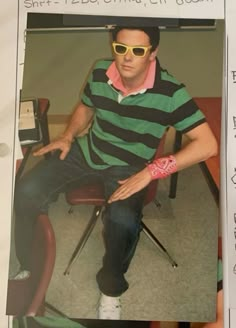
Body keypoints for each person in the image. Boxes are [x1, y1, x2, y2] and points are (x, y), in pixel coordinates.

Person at [13, 26, 218, 320]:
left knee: (122, 222)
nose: (127, 58)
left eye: (138, 50)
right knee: (26, 192)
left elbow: (207, 145)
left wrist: (150, 173)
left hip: (130, 166)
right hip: (89, 150)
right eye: (121, 48)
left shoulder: (171, 92)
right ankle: (27, 263)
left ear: (153, 53)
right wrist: (69, 134)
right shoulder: (99, 72)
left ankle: (111, 288)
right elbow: (86, 107)